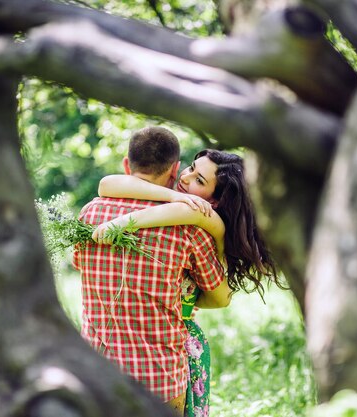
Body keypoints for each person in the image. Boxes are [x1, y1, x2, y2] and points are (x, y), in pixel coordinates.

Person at [94, 148, 282, 417]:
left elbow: (219, 298)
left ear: (214, 202)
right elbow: (106, 184)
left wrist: (121, 223)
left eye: (199, 180)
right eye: (192, 167)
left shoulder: (207, 220)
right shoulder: (177, 202)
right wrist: (171, 195)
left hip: (175, 348)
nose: (186, 177)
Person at [72, 126, 231, 414]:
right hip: (158, 380)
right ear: (175, 169)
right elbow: (221, 298)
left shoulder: (89, 214)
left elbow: (80, 265)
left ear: (126, 164)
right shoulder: (188, 231)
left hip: (96, 372)